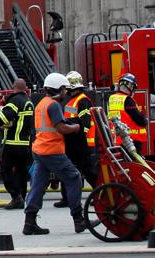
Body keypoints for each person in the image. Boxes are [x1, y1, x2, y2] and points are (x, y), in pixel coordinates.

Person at [23, 72, 87, 236]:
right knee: (74, 177)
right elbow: (61, 128)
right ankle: (78, 220)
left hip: (39, 150)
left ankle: (29, 222)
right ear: (59, 89)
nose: (66, 92)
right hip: (52, 150)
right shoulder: (53, 105)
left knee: (38, 184)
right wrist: (77, 127)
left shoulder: (41, 104)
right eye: (64, 89)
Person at [0, 78, 32, 210]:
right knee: (21, 172)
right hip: (25, 144)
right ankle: (22, 197)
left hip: (13, 144)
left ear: (14, 87)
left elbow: (4, 117)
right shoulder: (29, 102)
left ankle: (15, 197)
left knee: (6, 170)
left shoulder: (15, 101)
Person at [55, 71, 97, 207]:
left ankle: (101, 195)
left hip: (82, 144)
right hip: (73, 142)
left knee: (89, 172)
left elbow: (85, 124)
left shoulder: (83, 101)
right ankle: (66, 198)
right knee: (67, 170)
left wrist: (75, 136)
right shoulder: (73, 101)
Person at [108, 73, 148, 152]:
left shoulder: (112, 98)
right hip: (131, 140)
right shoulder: (127, 100)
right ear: (130, 86)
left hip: (118, 139)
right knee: (135, 163)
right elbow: (139, 119)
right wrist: (145, 121)